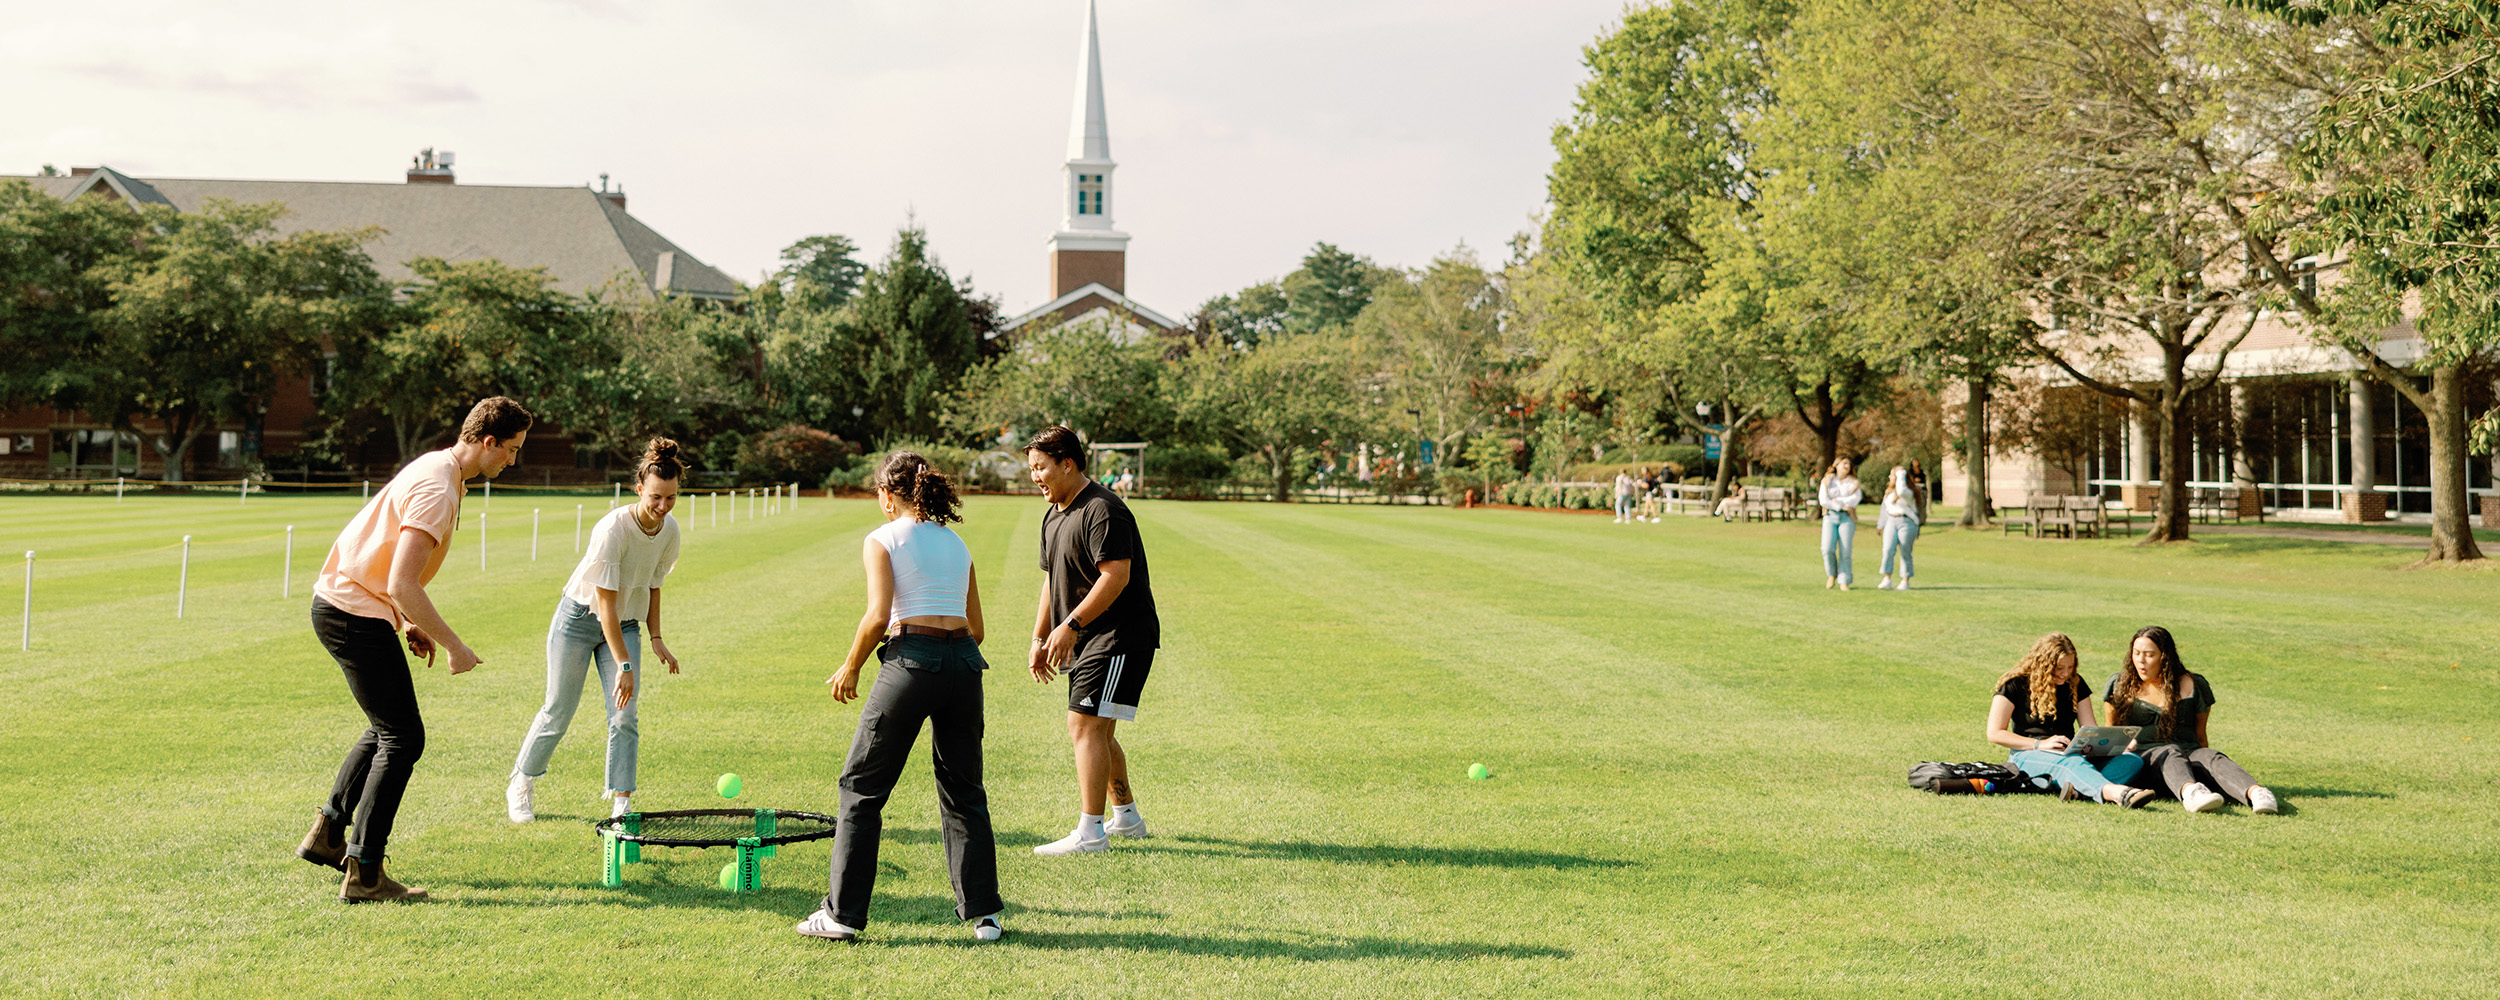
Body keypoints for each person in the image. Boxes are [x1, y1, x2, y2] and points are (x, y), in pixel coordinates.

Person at [297, 396, 531, 903]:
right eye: (511, 450)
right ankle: (363, 872)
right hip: (350, 612)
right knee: (403, 738)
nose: (512, 461)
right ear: (487, 442)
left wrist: (403, 623)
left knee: (387, 727)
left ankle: (329, 832)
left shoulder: (439, 468)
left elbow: (394, 582)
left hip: (353, 606)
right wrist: (455, 646)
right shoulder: (438, 488)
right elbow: (403, 582)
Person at [795, 451, 1005, 943]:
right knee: (964, 791)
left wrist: (850, 666)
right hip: (965, 666)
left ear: (888, 496)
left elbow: (876, 614)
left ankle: (841, 916)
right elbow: (976, 628)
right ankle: (985, 916)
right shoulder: (957, 542)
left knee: (860, 788)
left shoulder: (882, 538)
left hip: (912, 661)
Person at [506, 437, 685, 823]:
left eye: (670, 498)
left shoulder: (670, 531)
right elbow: (605, 606)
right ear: (639, 489)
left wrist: (656, 638)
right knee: (558, 709)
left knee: (625, 714)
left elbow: (654, 585)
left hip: (626, 625)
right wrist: (624, 666)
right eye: (655, 497)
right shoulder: (613, 530)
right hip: (579, 620)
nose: (662, 506)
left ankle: (622, 800)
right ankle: (521, 781)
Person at [1023, 425, 1160, 855]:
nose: (1035, 477)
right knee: (1098, 730)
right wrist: (1039, 634)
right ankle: (1127, 818)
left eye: (1040, 467)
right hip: (1087, 637)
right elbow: (1051, 579)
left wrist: (1072, 625)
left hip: (1118, 637)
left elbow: (1115, 576)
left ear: (1068, 463)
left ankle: (1090, 833)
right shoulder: (1054, 514)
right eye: (1031, 468)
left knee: (1083, 725)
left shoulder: (1103, 509)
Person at [2105, 626, 2281, 814]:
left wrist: (2205, 764)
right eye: (2136, 653)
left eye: (2149, 655)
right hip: (2145, 762)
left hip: (2188, 753)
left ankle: (2257, 793)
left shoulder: (2194, 684)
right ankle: (2191, 792)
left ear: (2164, 657)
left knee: (2211, 756)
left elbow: (2200, 736)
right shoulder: (2120, 685)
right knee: (2170, 751)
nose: (2141, 660)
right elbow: (2111, 733)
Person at [1985, 633, 2152, 807]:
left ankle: (2077, 791)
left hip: (2070, 752)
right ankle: (2118, 793)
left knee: (2132, 761)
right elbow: (1994, 733)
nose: (2065, 674)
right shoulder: (2014, 685)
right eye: (2059, 668)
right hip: (2027, 754)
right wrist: (2039, 744)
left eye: (2070, 667)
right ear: (2043, 664)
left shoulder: (2075, 683)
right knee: (2071, 763)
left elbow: (2090, 729)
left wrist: (2116, 744)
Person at [1875, 463, 1926, 591]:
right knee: (1887, 550)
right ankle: (1887, 578)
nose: (1889, 476)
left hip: (1907, 522)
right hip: (1891, 521)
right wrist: (1880, 525)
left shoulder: (1908, 492)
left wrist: (1900, 473)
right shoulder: (1889, 492)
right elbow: (1884, 509)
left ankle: (1905, 580)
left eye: (1892, 474)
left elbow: (1901, 490)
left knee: (1905, 552)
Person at [1817, 457, 1863, 590]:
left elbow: (1855, 499)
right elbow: (1823, 500)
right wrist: (1839, 505)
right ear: (1836, 465)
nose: (1847, 466)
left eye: (1849, 464)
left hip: (1847, 518)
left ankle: (1844, 580)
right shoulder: (1827, 481)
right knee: (1827, 548)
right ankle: (1832, 574)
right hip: (1830, 516)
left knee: (1845, 550)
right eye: (1844, 463)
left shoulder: (1853, 483)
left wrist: (1838, 500)